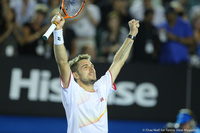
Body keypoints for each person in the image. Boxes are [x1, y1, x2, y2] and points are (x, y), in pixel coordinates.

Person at [51, 13, 139, 132]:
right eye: (85, 67)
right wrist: (58, 31)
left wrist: (132, 34)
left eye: (92, 66)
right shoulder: (72, 91)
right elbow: (62, 62)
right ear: (75, 75)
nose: (92, 68)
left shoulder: (102, 86)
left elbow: (118, 61)